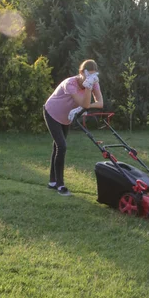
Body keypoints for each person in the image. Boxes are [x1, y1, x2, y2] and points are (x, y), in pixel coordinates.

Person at [43, 59, 103, 196]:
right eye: (88, 75)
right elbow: (85, 103)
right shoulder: (70, 83)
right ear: (81, 72)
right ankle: (60, 185)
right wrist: (86, 98)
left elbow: (99, 103)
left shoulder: (93, 82)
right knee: (61, 146)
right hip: (52, 112)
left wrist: (83, 106)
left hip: (66, 117)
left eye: (94, 76)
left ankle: (52, 182)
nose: (91, 79)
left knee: (57, 146)